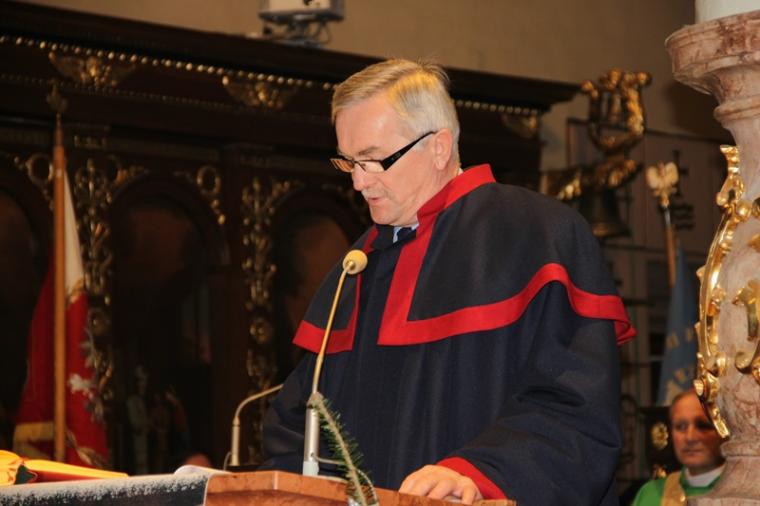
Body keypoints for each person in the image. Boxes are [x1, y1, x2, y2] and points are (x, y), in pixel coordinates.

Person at [261, 58, 634, 504]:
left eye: (374, 160)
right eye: (348, 162)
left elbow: (575, 407)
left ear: (438, 147)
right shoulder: (357, 265)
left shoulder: (539, 234)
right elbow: (299, 421)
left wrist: (479, 474)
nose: (358, 182)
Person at [632, 389, 725, 505]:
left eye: (702, 425)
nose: (690, 438)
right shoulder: (650, 494)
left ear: (723, 431)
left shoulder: (743, 492)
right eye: (680, 427)